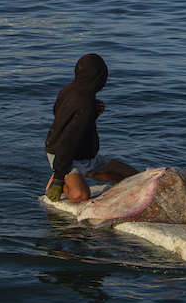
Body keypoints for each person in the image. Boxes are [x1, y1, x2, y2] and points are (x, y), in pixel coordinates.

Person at [43, 53, 137, 203]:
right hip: (65, 157)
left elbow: (67, 121)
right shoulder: (84, 101)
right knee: (80, 196)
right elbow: (68, 139)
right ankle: (64, 178)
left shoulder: (70, 90)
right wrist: (59, 178)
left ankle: (80, 175)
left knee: (136, 179)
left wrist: (93, 114)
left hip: (88, 158)